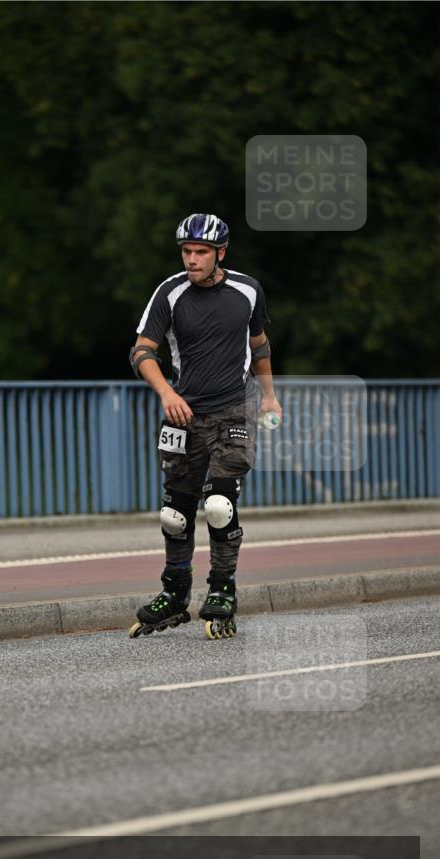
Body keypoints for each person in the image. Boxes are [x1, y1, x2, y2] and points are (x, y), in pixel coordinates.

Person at [128, 212, 282, 639]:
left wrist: (269, 395)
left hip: (234, 409)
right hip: (184, 412)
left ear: (221, 254)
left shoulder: (248, 290)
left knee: (218, 505)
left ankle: (222, 590)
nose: (192, 259)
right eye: (186, 251)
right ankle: (175, 593)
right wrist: (166, 392)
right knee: (175, 515)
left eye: (201, 252)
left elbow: (259, 345)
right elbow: (141, 351)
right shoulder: (169, 293)